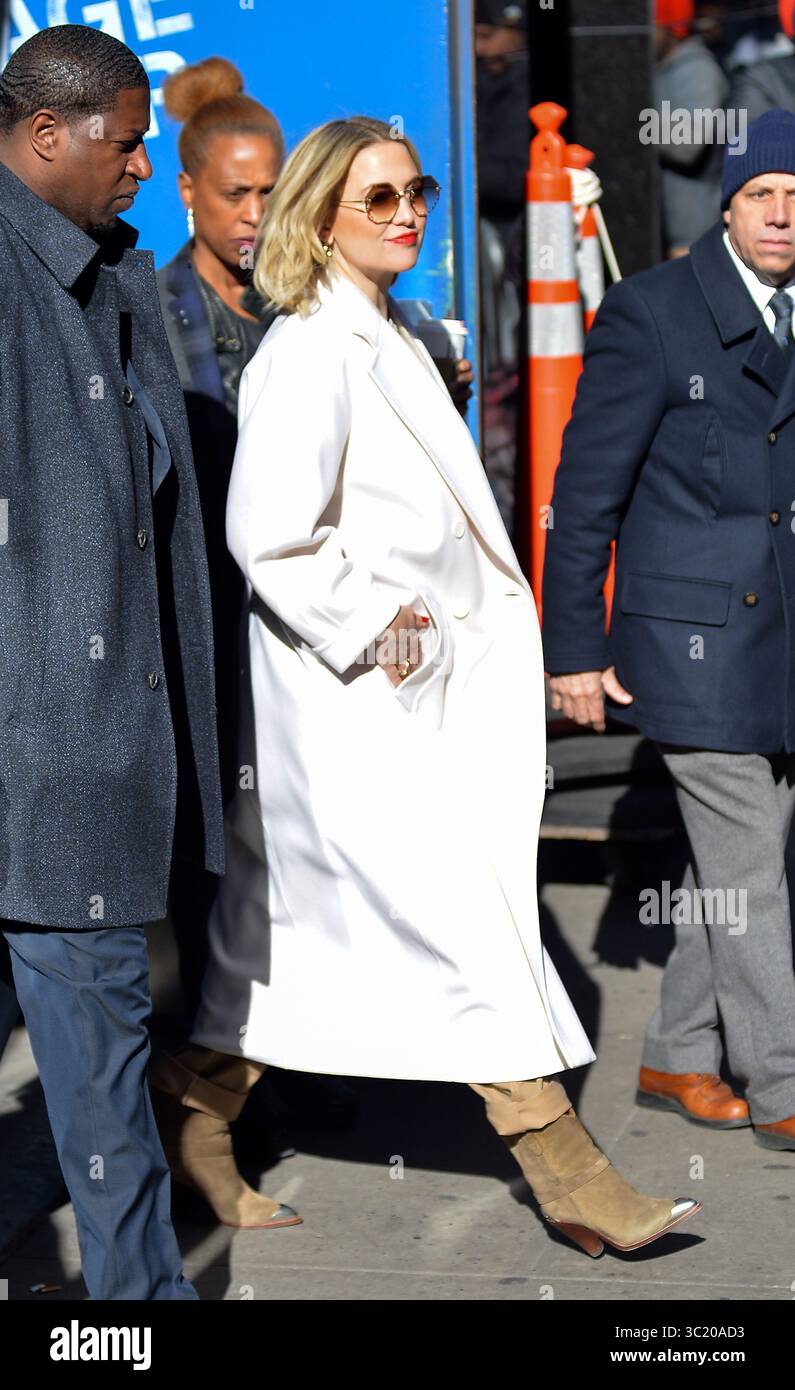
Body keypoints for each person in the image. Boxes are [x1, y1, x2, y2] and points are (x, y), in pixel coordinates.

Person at [150, 116, 701, 1259]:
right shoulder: (308, 350)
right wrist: (387, 631)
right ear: (319, 218)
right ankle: (568, 1172)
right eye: (380, 200)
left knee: (283, 942)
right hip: (358, 710)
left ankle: (193, 1115)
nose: (407, 215)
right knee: (469, 935)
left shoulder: (393, 328)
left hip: (405, 703)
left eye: (418, 193)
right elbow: (271, 534)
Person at [0, 25, 226, 1298]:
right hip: (46, 744)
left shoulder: (117, 274)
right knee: (104, 1119)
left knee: (101, 1088)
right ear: (47, 134)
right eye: (127, 141)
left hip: (94, 749)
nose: (145, 166)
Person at [542, 109, 795, 1153]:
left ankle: (678, 1052)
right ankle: (783, 1082)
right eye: (765, 196)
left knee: (744, 860)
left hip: (776, 639)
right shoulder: (651, 313)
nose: (784, 217)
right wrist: (571, 654)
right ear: (726, 205)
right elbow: (584, 493)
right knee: (751, 864)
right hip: (689, 645)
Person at [156, 57, 282, 1021]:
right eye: (234, 194)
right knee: (215, 848)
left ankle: (295, 1046)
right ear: (189, 190)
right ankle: (216, 1055)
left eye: (272, 193)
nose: (253, 214)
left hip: (293, 627)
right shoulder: (152, 318)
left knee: (301, 840)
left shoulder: (302, 313)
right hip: (200, 626)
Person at [655, 0, 728, 256]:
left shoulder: (698, 70)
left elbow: (689, 143)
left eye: (654, 27)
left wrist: (632, 118)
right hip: (667, 228)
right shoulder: (661, 69)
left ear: (673, 28)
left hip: (693, 232)